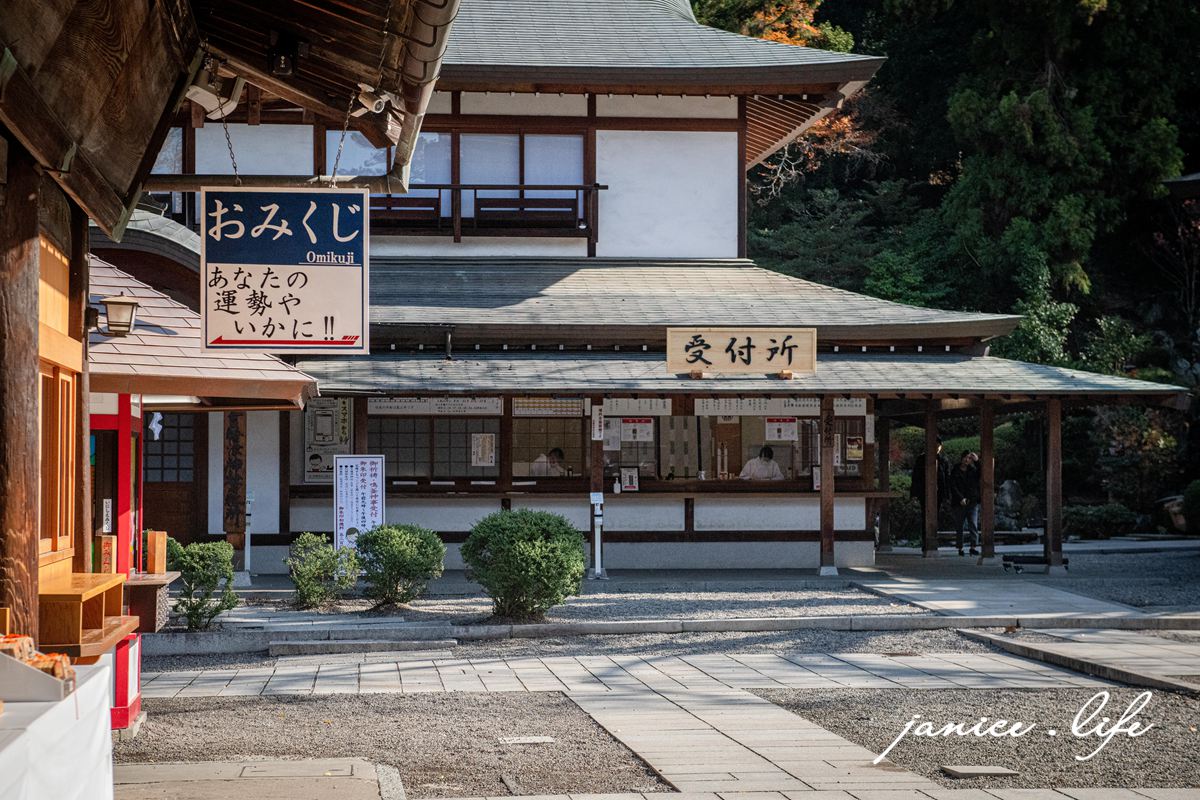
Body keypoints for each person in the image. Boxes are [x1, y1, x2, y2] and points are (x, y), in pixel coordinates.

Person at [910, 436, 950, 541]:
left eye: (938, 446)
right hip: (924, 491)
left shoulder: (943, 460)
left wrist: (946, 494)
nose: (937, 448)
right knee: (925, 515)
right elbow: (916, 477)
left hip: (939, 492)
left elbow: (946, 477)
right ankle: (926, 540)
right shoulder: (921, 459)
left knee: (936, 516)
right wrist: (914, 493)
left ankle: (933, 539)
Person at [949, 450, 981, 555]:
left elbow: (982, 472)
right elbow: (953, 486)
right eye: (965, 457)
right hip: (959, 502)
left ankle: (973, 546)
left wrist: (977, 461)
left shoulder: (973, 470)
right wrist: (960, 498)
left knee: (973, 524)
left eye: (969, 458)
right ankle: (960, 547)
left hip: (972, 501)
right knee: (959, 526)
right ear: (962, 458)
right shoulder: (955, 470)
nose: (967, 460)